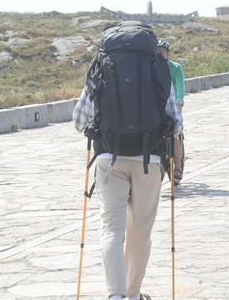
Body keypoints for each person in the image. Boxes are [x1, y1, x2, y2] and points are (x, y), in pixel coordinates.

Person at [73, 23, 182, 300]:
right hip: (150, 159)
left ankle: (116, 296)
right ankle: (133, 294)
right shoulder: (158, 66)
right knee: (140, 233)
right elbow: (176, 122)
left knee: (112, 230)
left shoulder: (102, 64)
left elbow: (78, 120)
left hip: (109, 158)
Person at [158, 39, 185, 186]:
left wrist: (179, 99)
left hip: (173, 104)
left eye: (162, 51)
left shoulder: (174, 67)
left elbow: (179, 84)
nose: (159, 54)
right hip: (157, 107)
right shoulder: (152, 67)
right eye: (157, 51)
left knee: (175, 134)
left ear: (168, 53)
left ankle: (178, 168)